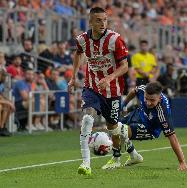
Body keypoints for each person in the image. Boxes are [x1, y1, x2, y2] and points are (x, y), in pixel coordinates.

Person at [68, 7, 129, 175]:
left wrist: (109, 78)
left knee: (113, 128)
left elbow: (125, 66)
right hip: (92, 86)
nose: (102, 23)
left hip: (113, 89)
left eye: (105, 20)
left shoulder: (115, 39)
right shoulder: (81, 39)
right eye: (98, 20)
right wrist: (73, 77)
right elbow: (78, 54)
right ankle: (86, 164)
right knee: (87, 118)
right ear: (90, 22)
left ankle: (118, 156)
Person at [116, 82, 187, 171]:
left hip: (150, 128)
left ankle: (116, 158)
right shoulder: (142, 89)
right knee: (115, 127)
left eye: (152, 100)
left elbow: (173, 137)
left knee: (121, 131)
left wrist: (182, 162)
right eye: (146, 99)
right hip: (140, 114)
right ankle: (134, 156)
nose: (148, 103)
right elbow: (134, 91)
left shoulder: (162, 114)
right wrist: (124, 104)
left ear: (159, 98)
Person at [0, 69, 14, 136]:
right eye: (3, 75)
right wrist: (8, 102)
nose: (4, 77)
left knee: (8, 107)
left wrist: (8, 101)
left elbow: (1, 95)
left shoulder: (1, 84)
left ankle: (2, 127)